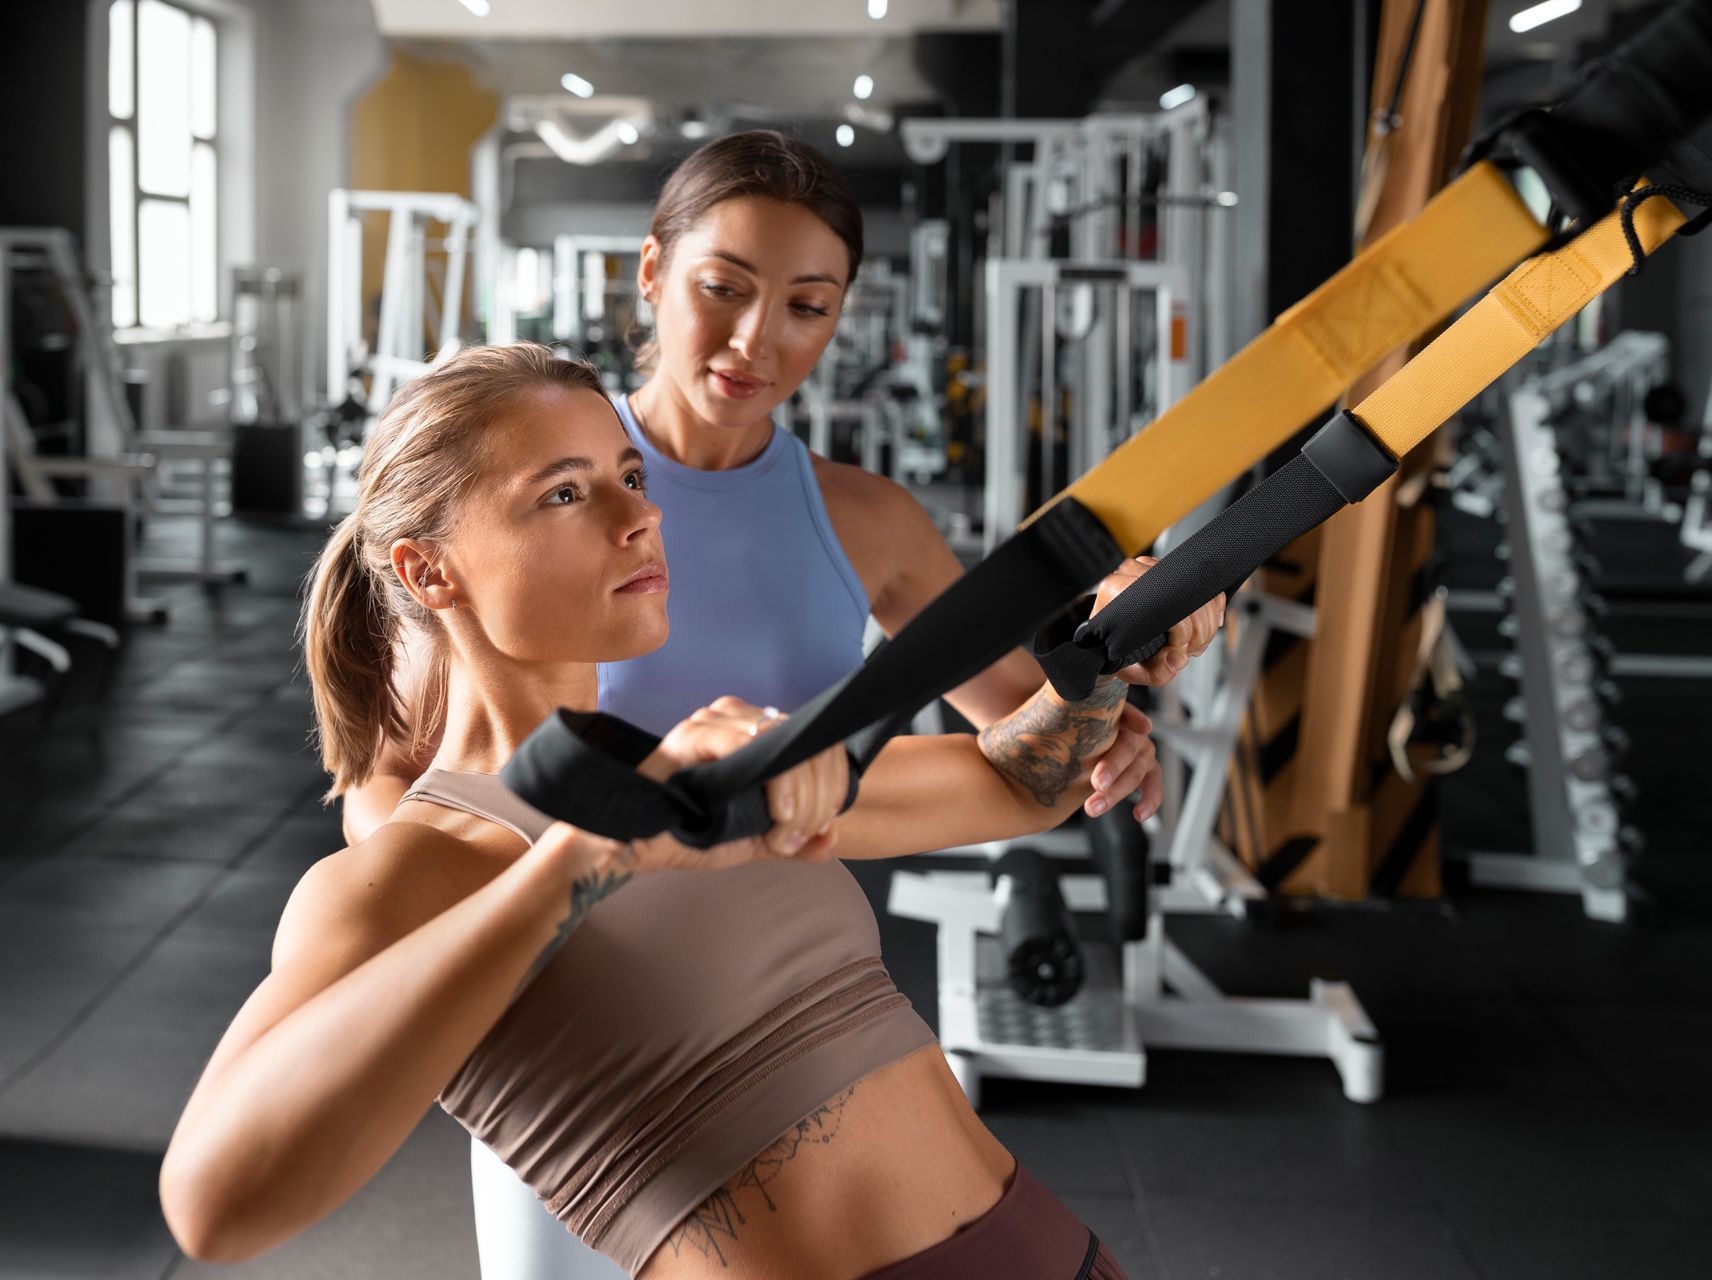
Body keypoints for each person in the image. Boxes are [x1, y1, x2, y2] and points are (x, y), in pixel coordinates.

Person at [338, 131, 1224, 1279]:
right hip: (572, 1039)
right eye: (724, 289)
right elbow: (387, 789)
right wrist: (525, 905)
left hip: (777, 1008)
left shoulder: (868, 523)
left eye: (808, 305)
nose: (760, 340)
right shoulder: (513, 508)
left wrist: (1125, 661)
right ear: (653, 274)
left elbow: (1027, 725)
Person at [159, 344, 1216, 1278]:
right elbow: (214, 1205)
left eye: (628, 474)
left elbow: (1019, 783)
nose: (639, 514)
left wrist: (1108, 652)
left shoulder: (701, 764)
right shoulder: (412, 868)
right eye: (566, 494)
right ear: (427, 568)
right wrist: (581, 861)